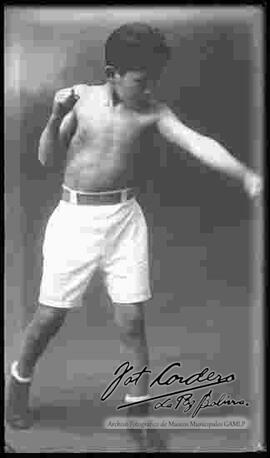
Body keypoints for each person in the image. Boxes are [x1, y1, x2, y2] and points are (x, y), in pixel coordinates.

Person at [6, 22, 262, 432]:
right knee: (50, 316)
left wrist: (246, 175)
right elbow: (46, 158)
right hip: (75, 222)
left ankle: (139, 413)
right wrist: (55, 117)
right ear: (113, 75)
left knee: (132, 320)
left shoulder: (154, 111)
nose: (148, 88)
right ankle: (18, 381)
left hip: (125, 222)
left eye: (154, 80)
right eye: (141, 80)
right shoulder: (80, 102)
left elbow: (198, 142)